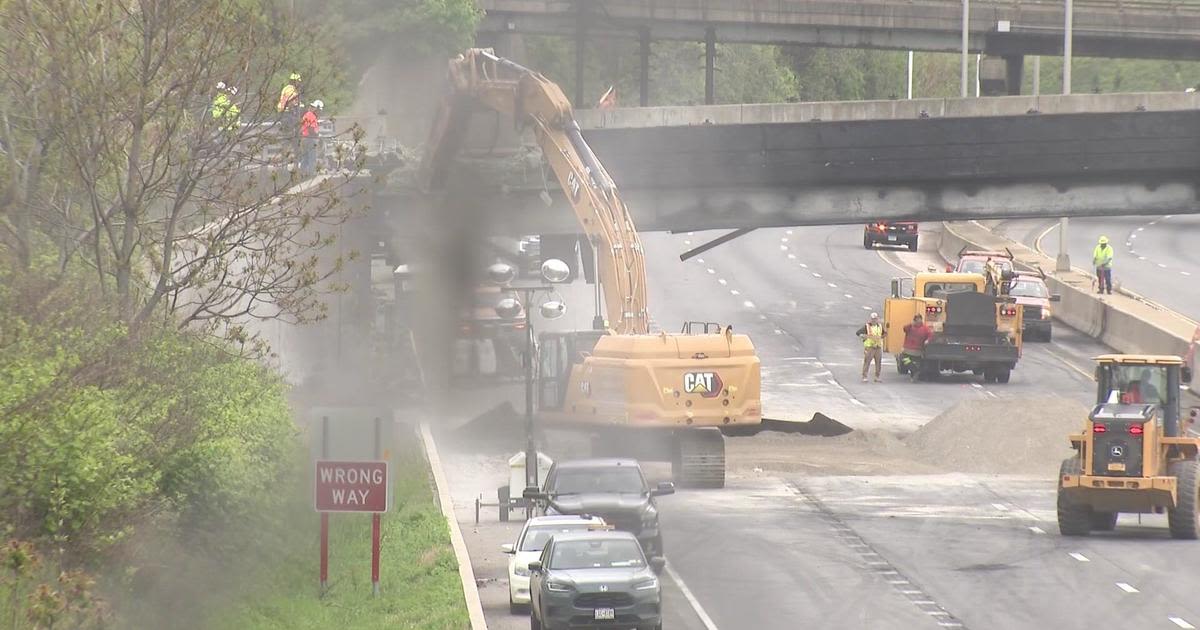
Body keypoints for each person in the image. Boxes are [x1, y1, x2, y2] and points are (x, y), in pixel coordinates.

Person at [857, 312, 884, 382]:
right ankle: (864, 376)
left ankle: (877, 377)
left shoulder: (880, 326)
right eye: (873, 319)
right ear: (871, 319)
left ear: (877, 319)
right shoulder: (867, 326)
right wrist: (863, 336)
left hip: (878, 347)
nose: (874, 320)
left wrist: (881, 338)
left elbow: (884, 333)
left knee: (878, 362)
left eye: (875, 319)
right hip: (870, 347)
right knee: (867, 362)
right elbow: (858, 333)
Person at [299, 102, 319, 174]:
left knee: (305, 158)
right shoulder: (311, 116)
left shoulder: (306, 115)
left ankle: (302, 173)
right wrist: (317, 136)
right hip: (310, 138)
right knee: (312, 157)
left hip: (304, 138)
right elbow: (311, 128)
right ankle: (311, 173)